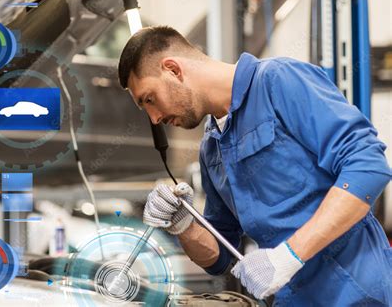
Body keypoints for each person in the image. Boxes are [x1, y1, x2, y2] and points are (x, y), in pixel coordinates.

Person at [117, 26, 391, 306]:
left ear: (173, 69)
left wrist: (290, 255)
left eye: (149, 99)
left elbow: (367, 165)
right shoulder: (212, 147)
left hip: (357, 294)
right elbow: (220, 256)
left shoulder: (279, 81)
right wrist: (185, 224)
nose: (153, 118)